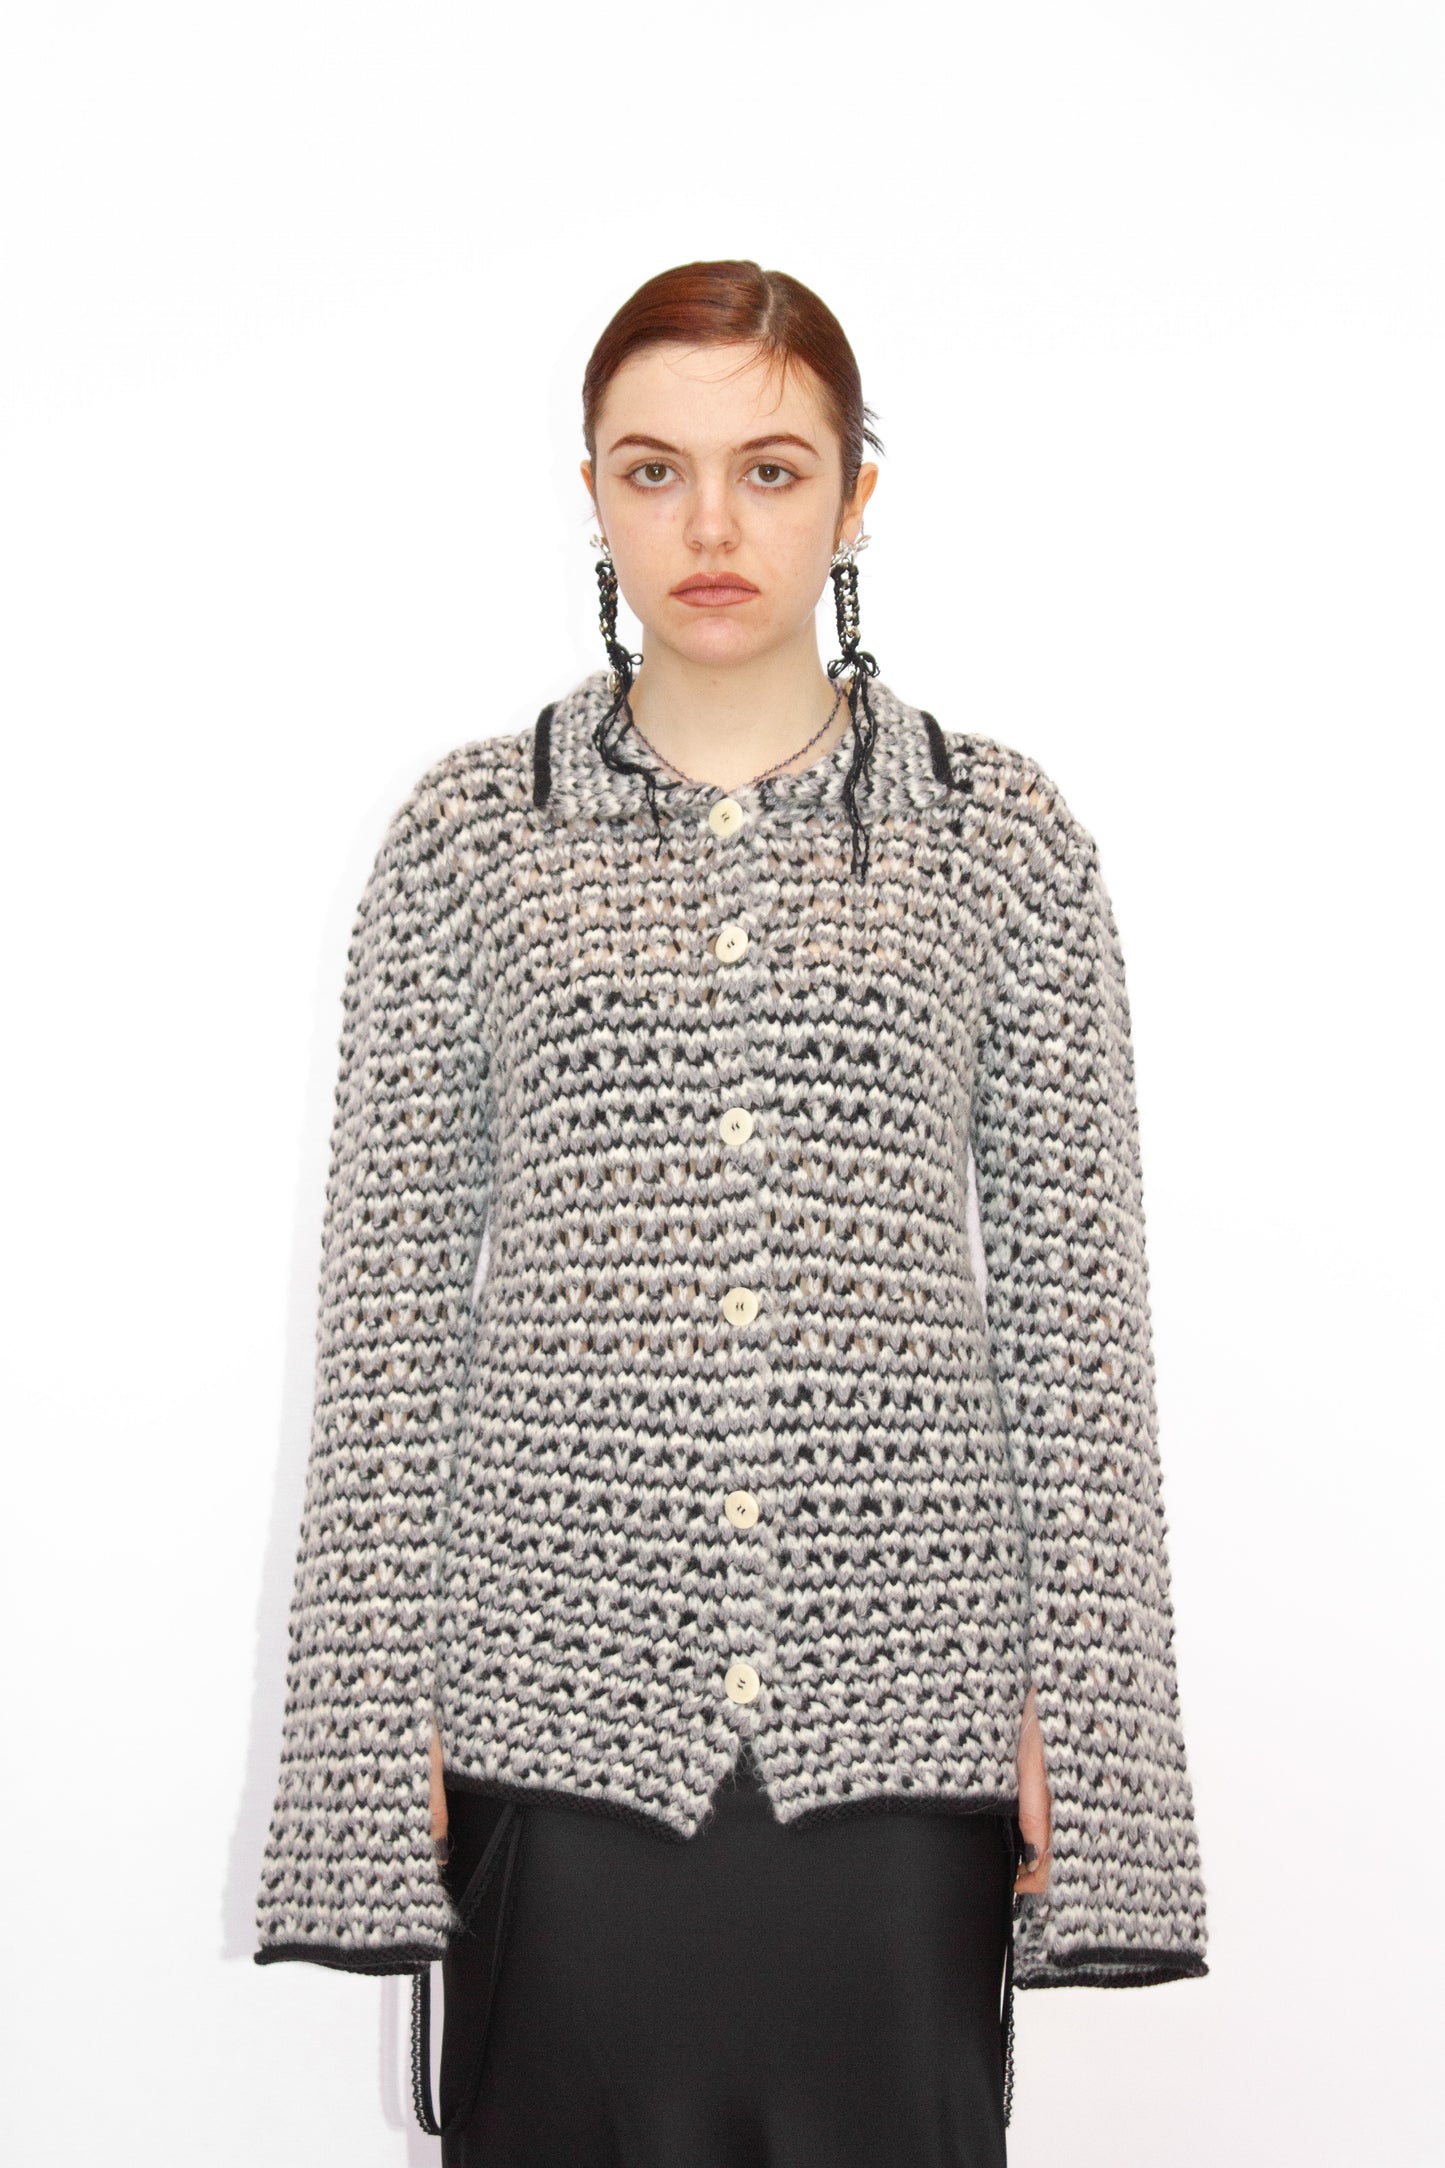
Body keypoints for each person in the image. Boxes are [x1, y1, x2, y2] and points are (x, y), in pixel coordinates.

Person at [254, 259, 1209, 2166]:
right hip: (550, 1710)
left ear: (854, 498)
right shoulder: (467, 842)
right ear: (591, 496)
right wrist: (370, 1729)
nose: (709, 527)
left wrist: (1089, 1728)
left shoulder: (999, 840)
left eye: (769, 470)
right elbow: (389, 1325)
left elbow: (1076, 1327)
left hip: (905, 1720)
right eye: (653, 470)